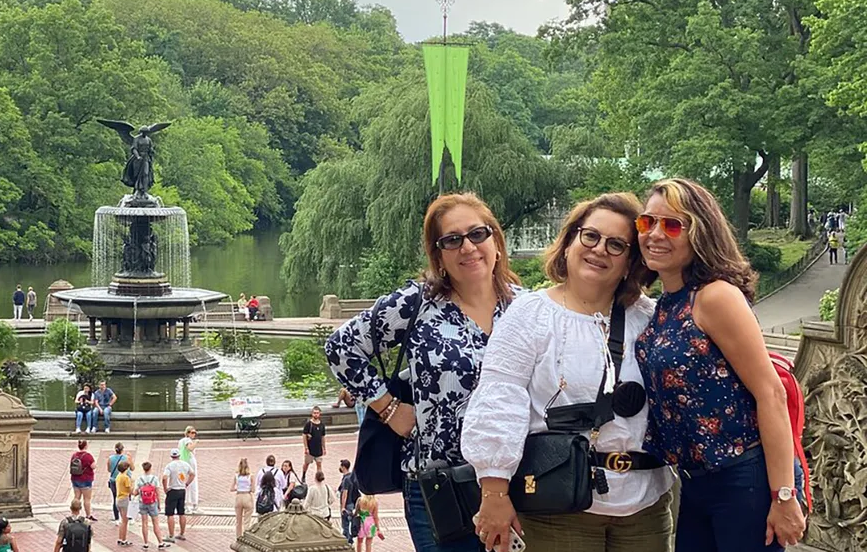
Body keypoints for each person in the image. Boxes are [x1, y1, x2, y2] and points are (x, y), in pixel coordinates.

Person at [463, 193, 675, 552]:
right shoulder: (530, 315)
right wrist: (494, 490)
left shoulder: (651, 318)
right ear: (569, 243)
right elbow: (500, 399)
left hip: (646, 505)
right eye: (590, 236)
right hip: (557, 503)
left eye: (616, 244)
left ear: (630, 261)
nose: (599, 249)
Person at [325, 192, 522, 552]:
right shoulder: (418, 304)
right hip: (438, 487)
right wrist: (387, 408)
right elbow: (341, 347)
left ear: (495, 240)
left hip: (516, 485)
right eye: (452, 240)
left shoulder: (526, 309)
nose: (468, 247)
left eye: (478, 234)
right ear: (439, 254)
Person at [635, 178, 805, 551]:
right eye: (647, 223)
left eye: (673, 225)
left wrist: (784, 496)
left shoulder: (715, 297)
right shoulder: (667, 302)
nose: (656, 234)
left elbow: (770, 393)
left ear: (701, 234)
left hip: (743, 479)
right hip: (696, 483)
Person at [162, 448, 194, 543]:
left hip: (173, 490)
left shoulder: (169, 466)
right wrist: (187, 483)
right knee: (181, 512)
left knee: (170, 513)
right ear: (179, 455)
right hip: (182, 489)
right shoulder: (185, 464)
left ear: (171, 456)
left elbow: (164, 477)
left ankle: (171, 535)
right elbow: (192, 474)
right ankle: (182, 533)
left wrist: (165, 488)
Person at [133, 462, 166, 549]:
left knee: (144, 523)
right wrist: (159, 504)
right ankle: (160, 542)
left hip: (142, 502)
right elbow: (158, 493)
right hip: (152, 503)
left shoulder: (139, 479)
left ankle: (146, 543)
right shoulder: (154, 479)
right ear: (150, 468)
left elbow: (135, 492)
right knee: (155, 523)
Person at [70, 440, 97, 521]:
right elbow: (93, 466)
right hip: (86, 479)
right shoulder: (88, 456)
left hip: (75, 478)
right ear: (86, 446)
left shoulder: (74, 455)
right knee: (87, 499)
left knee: (76, 497)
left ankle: (74, 513)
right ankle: (88, 515)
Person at [108, 443, 135, 525]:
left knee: (115, 498)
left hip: (114, 480)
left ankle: (117, 518)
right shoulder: (126, 458)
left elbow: (109, 469)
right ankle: (129, 517)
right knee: (128, 499)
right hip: (125, 480)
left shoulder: (110, 458)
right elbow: (132, 468)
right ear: (122, 449)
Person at [231, 458, 255, 538]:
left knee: (238, 520)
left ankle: (238, 537)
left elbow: (231, 488)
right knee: (247, 520)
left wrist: (238, 488)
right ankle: (246, 537)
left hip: (239, 496)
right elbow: (253, 489)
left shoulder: (236, 476)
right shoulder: (251, 476)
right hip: (247, 496)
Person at [301, 406, 326, 483]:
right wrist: (306, 447)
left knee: (319, 464)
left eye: (317, 413)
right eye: (314, 413)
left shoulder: (322, 425)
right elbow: (304, 435)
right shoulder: (309, 424)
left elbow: (323, 436)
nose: (316, 414)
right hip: (310, 448)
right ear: (312, 414)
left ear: (320, 414)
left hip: (318, 448)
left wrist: (324, 447)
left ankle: (319, 478)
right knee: (306, 463)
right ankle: (303, 475)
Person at [178, 426, 199, 514]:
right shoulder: (188, 440)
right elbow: (190, 448)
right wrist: (196, 443)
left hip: (182, 462)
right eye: (192, 432)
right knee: (192, 483)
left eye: (195, 433)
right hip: (189, 462)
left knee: (183, 482)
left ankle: (186, 504)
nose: (194, 434)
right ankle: (193, 505)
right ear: (188, 433)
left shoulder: (180, 441)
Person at [339, 460, 361, 545]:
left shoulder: (346, 480)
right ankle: (349, 538)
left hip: (347, 504)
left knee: (345, 524)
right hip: (352, 503)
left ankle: (348, 540)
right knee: (349, 522)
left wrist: (343, 507)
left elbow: (345, 494)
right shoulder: (353, 476)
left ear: (343, 467)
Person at [114, 460, 133, 547]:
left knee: (122, 520)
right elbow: (130, 490)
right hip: (124, 499)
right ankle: (123, 539)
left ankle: (120, 537)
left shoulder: (118, 476)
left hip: (118, 498)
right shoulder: (126, 478)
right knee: (125, 521)